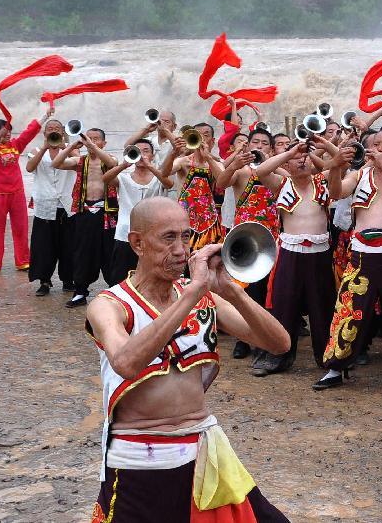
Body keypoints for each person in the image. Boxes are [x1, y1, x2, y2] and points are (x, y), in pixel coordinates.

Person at [85, 197, 290, 523]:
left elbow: (279, 343)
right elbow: (125, 363)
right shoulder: (109, 304)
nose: (181, 250)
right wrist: (194, 292)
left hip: (203, 450)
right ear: (137, 242)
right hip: (140, 460)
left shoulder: (201, 295)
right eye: (168, 238)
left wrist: (231, 290)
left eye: (186, 236)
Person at [314, 128, 382, 390]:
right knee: (349, 312)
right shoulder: (360, 174)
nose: (379, 149)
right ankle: (336, 368)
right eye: (376, 145)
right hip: (362, 253)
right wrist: (337, 166)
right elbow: (337, 193)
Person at [250, 138, 336, 375]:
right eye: (296, 159)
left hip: (319, 253)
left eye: (305, 158)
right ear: (286, 164)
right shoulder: (281, 184)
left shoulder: (324, 181)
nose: (301, 161)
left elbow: (340, 162)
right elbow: (261, 170)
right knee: (284, 304)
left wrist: (321, 146)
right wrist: (290, 153)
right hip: (290, 252)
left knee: (323, 306)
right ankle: (279, 355)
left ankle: (326, 355)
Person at [215, 128, 281, 361]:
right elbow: (221, 184)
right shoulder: (241, 171)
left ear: (271, 149)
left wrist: (270, 163)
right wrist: (234, 162)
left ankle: (263, 340)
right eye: (256, 142)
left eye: (265, 143)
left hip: (270, 239)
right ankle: (242, 339)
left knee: (265, 293)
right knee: (242, 292)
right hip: (243, 240)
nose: (259, 146)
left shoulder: (277, 172)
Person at [53, 127, 119, 307]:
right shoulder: (80, 160)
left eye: (96, 139)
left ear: (104, 143)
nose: (92, 141)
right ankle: (80, 291)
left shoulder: (109, 159)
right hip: (85, 212)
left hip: (106, 211)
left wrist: (93, 147)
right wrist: (71, 146)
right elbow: (56, 164)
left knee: (109, 251)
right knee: (82, 252)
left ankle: (115, 289)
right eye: (89, 138)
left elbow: (113, 165)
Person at [0, 106, 52, 272]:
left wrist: (45, 116)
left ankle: (23, 261)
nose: (8, 136)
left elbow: (29, 132)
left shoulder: (16, 144)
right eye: (4, 133)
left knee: (20, 228)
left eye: (9, 133)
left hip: (16, 192)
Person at [102, 139, 174, 285]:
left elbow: (169, 183)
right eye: (138, 151)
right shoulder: (124, 178)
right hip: (125, 234)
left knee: (152, 274)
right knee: (120, 276)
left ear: (153, 156)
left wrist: (150, 166)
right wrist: (124, 164)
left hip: (153, 234)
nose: (141, 154)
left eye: (146, 151)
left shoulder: (157, 178)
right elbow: (106, 179)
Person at [26, 117, 76, 295]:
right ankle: (44, 281)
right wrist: (46, 148)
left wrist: (65, 147)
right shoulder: (36, 150)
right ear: (44, 133)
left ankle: (68, 280)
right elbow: (30, 168)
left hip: (66, 204)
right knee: (43, 245)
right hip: (45, 204)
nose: (53, 130)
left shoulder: (71, 150)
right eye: (50, 128)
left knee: (69, 245)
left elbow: (79, 164)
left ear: (63, 132)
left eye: (57, 128)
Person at [161, 132, 226, 254]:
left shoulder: (215, 164)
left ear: (212, 141)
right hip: (184, 217)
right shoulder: (182, 162)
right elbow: (164, 173)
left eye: (205, 135)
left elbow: (223, 182)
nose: (202, 139)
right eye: (199, 135)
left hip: (208, 219)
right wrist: (173, 154)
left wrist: (208, 158)